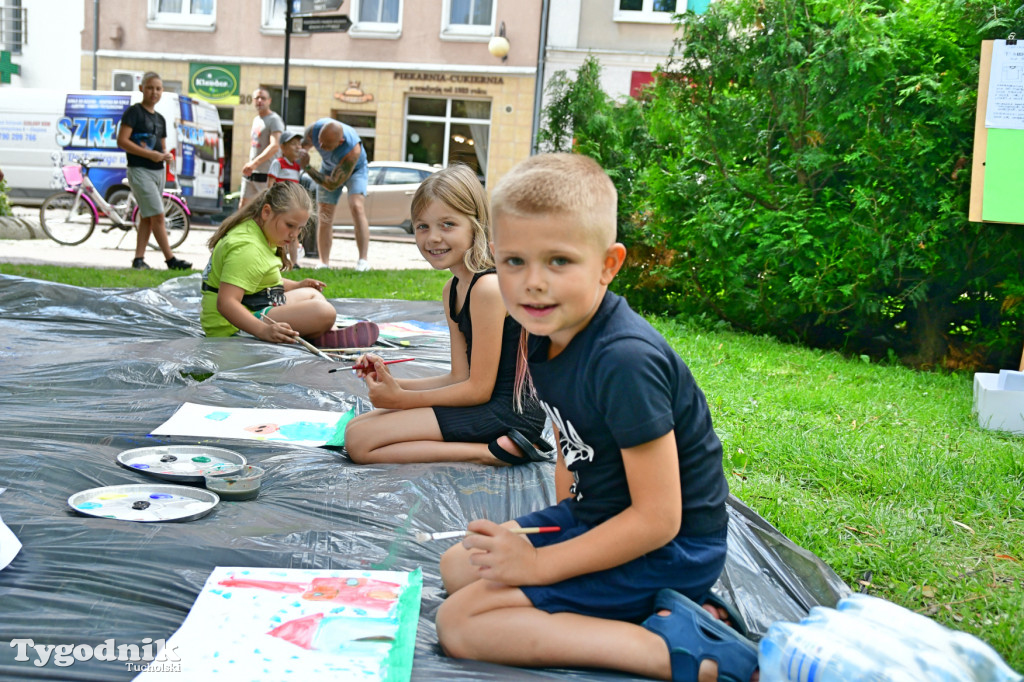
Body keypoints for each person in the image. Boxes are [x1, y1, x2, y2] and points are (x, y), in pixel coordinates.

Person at [434, 154, 759, 682]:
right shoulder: (545, 330)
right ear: (494, 256)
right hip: (600, 517)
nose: (532, 283)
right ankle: (649, 606)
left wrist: (540, 565)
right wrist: (557, 526)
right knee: (459, 567)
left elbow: (659, 519)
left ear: (608, 264)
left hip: (671, 548)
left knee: (461, 624)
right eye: (514, 261)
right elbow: (569, 437)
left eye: (559, 261)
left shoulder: (624, 360)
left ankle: (695, 655)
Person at [343, 164, 550, 466]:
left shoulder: (488, 288)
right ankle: (495, 448)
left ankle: (495, 453)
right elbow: (459, 376)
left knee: (360, 442)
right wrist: (392, 382)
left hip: (508, 414)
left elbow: (477, 390)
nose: (433, 238)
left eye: (448, 225)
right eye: (422, 226)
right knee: (356, 427)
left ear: (475, 225)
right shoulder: (452, 288)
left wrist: (401, 400)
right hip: (481, 402)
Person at [199, 181, 336, 342]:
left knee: (314, 295)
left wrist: (297, 285)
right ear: (266, 212)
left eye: (300, 228)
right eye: (290, 225)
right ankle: (322, 334)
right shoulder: (247, 248)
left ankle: (330, 333)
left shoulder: (264, 233)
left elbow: (261, 280)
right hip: (232, 328)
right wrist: (264, 330)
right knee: (324, 312)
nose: (294, 235)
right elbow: (226, 303)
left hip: (255, 307)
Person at [116, 72, 191, 271]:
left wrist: (166, 157)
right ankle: (171, 260)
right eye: (150, 87)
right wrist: (151, 155)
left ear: (162, 91)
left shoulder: (160, 119)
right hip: (140, 170)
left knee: (148, 217)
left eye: (158, 88)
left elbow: (162, 148)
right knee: (158, 215)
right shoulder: (134, 112)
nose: (154, 92)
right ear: (141, 88)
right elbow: (122, 141)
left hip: (158, 171)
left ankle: (138, 260)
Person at [298, 118, 371, 271]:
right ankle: (324, 263)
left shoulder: (352, 150)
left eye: (327, 146)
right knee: (324, 212)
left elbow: (332, 184)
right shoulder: (314, 129)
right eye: (320, 143)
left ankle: (363, 261)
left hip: (355, 170)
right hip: (328, 168)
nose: (322, 147)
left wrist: (308, 168)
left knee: (357, 206)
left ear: (340, 142)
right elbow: (302, 147)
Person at [239, 87, 285, 208]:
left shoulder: (274, 119)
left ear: (269, 101)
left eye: (263, 98)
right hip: (252, 173)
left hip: (266, 174)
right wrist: (252, 165)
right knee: (243, 207)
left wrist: (254, 163)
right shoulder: (256, 120)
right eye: (257, 98)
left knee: (264, 209)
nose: (260, 101)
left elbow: (275, 146)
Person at [268, 130, 306, 265]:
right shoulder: (278, 163)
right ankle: (278, 260)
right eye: (293, 144)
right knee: (279, 234)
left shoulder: (297, 167)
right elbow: (271, 183)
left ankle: (294, 263)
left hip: (292, 206)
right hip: (280, 204)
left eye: (299, 144)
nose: (298, 147)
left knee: (293, 235)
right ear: (283, 148)